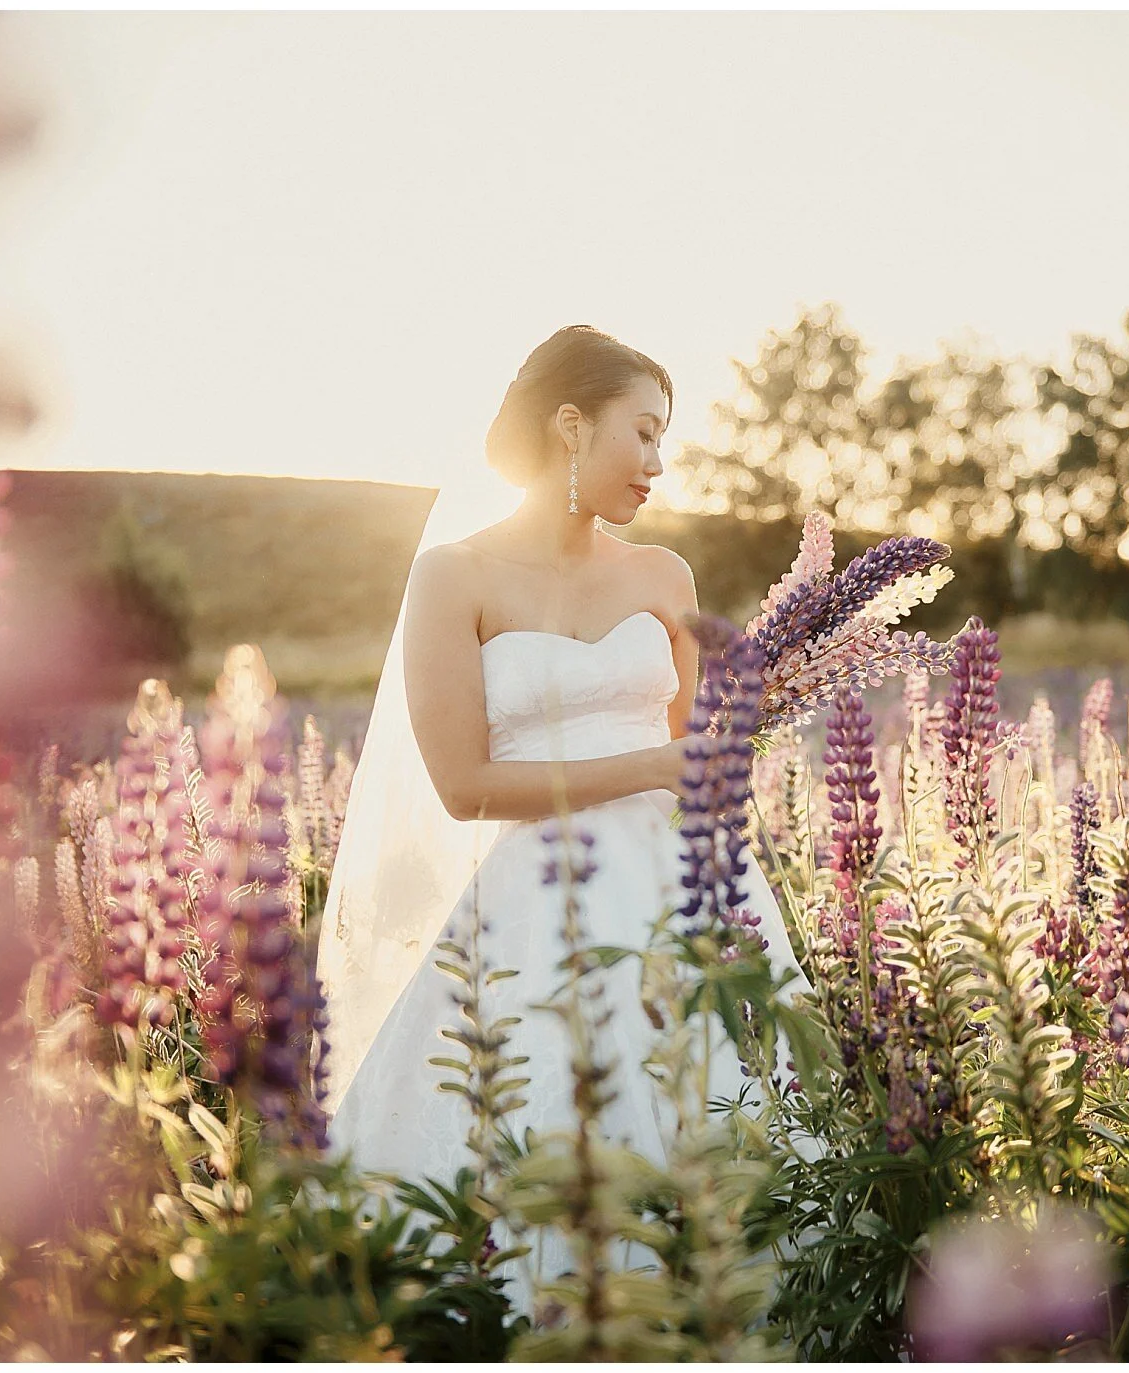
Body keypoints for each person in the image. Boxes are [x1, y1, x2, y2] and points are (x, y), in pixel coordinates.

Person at [316, 325, 809, 1307]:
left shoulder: (664, 576)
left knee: (727, 1122)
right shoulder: (452, 576)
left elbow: (703, 763)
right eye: (645, 432)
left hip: (682, 894)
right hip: (534, 901)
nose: (659, 463)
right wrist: (658, 762)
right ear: (571, 425)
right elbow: (463, 782)